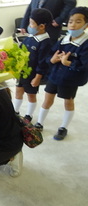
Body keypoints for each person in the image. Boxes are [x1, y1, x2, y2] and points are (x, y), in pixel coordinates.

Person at [34, 7, 88, 140]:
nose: (73, 25)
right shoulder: (63, 39)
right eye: (70, 22)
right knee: (47, 100)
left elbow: (84, 66)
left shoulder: (85, 44)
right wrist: (52, 60)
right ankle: (39, 123)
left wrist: (68, 63)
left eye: (78, 22)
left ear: (86, 25)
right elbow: (51, 55)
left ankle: (63, 127)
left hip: (70, 79)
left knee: (68, 102)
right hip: (54, 76)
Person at [13, 8, 53, 122]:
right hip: (22, 71)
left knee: (31, 95)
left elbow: (43, 63)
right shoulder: (30, 37)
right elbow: (21, 50)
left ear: (41, 26)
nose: (29, 26)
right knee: (18, 91)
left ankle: (28, 115)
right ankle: (15, 112)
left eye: (31, 23)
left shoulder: (45, 43)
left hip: (33, 74)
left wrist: (38, 77)